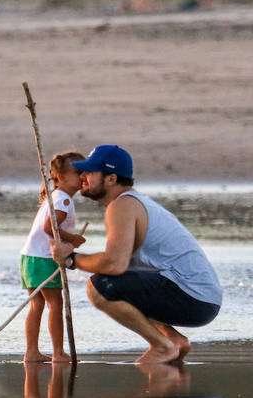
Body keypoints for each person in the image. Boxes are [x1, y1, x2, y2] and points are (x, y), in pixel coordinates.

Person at [50, 145, 222, 364]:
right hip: (203, 300)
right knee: (122, 284)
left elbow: (114, 264)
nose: (82, 176)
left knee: (99, 287)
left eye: (90, 172)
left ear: (111, 179)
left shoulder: (123, 205)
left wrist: (71, 259)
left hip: (193, 298)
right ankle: (173, 340)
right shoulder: (129, 203)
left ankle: (162, 347)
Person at [20, 151, 88, 362]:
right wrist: (72, 239)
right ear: (62, 177)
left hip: (29, 256)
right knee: (55, 305)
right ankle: (58, 353)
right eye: (78, 172)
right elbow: (50, 227)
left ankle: (31, 352)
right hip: (43, 259)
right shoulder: (64, 201)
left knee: (37, 305)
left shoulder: (56, 196)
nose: (83, 176)